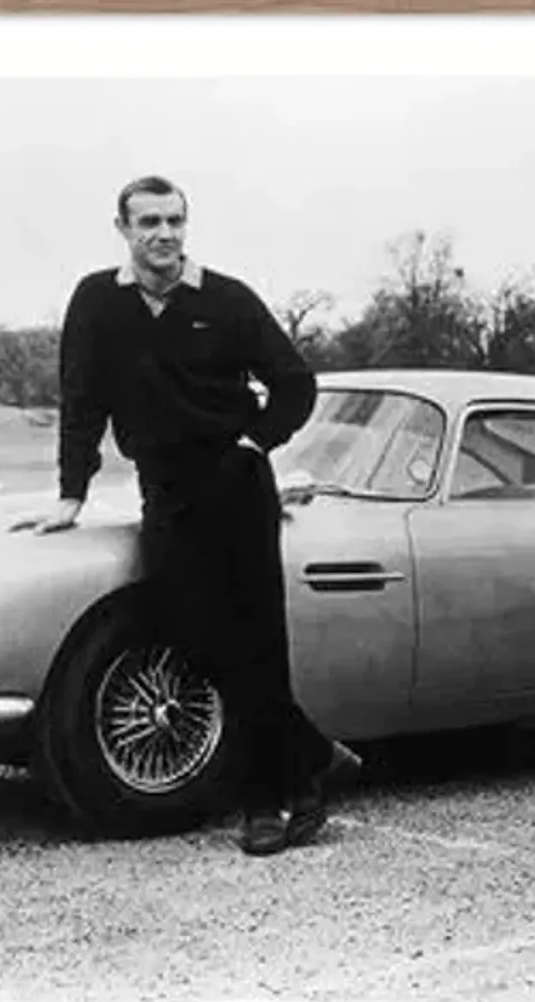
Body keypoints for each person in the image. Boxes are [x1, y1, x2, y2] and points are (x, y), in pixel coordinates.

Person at [21, 175, 359, 856]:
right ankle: (310, 751)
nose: (164, 235)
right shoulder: (96, 302)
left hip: (236, 484)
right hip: (165, 488)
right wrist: (71, 493)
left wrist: (254, 440)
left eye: (175, 220)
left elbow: (295, 383)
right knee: (191, 630)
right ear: (122, 228)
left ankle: (268, 801)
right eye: (148, 221)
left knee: (258, 641)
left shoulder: (226, 299)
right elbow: (82, 400)